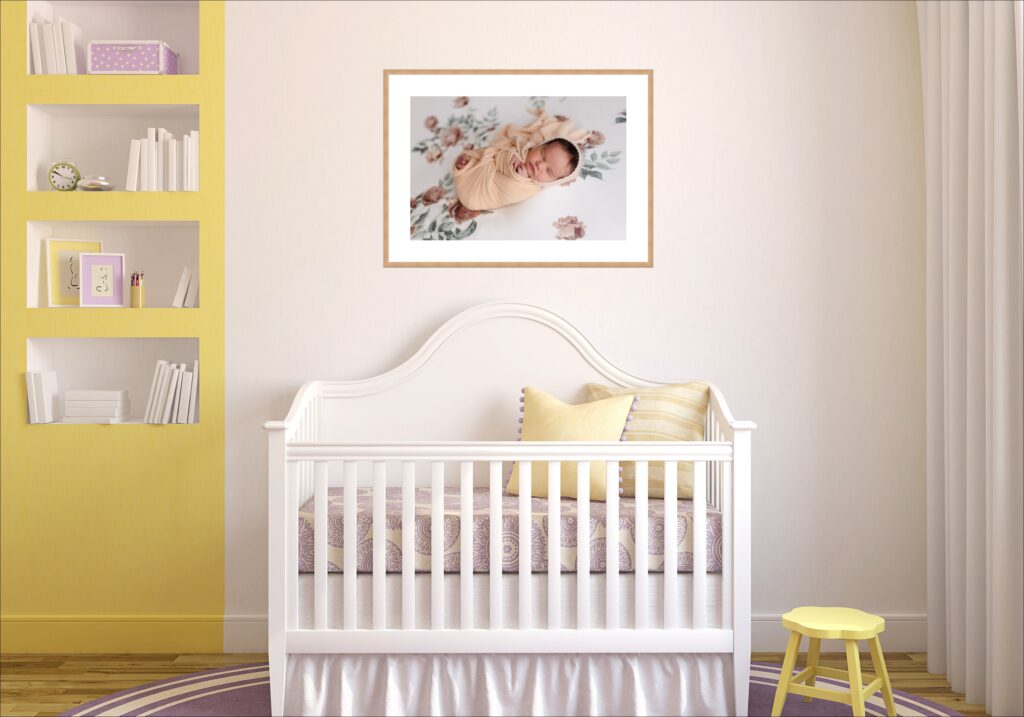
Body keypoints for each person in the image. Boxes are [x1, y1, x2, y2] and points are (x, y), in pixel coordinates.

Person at [449, 109, 590, 220]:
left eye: (549, 171)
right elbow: (502, 147)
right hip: (481, 169)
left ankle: (466, 168)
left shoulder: (529, 186)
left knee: (473, 193)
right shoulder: (524, 146)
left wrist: (516, 176)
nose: (540, 165)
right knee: (476, 156)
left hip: (477, 194)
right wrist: (508, 153)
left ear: (553, 181)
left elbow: (507, 194)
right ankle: (466, 166)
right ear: (539, 145)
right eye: (542, 155)